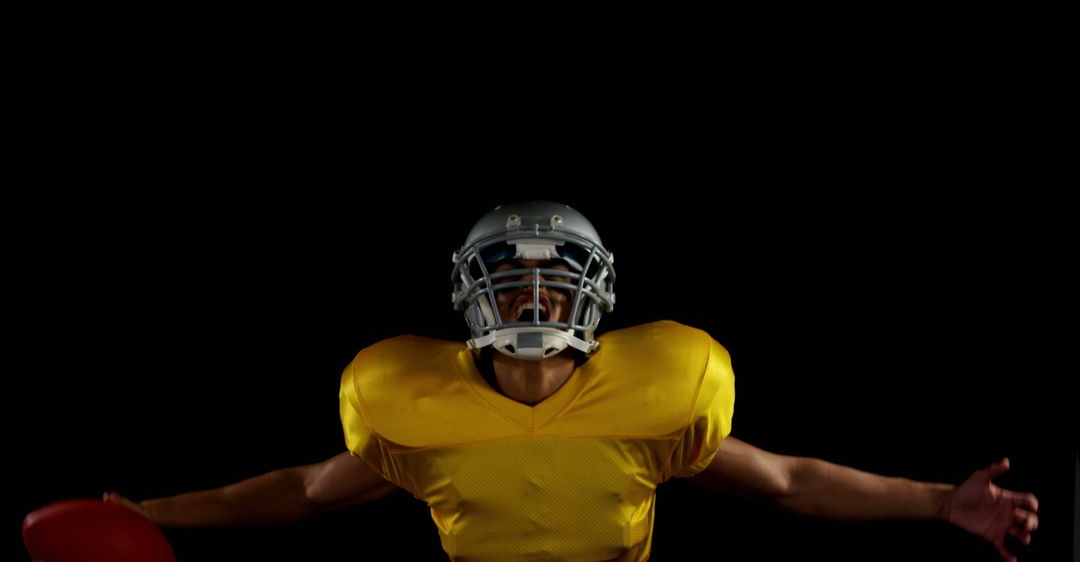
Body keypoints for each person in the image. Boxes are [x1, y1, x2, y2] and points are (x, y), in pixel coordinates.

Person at [106, 201, 1039, 561]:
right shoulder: (411, 405)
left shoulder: (659, 392)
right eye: (513, 275)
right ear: (471, 294)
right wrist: (157, 514)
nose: (537, 294)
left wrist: (933, 503)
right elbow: (304, 493)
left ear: (595, 292)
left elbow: (790, 483)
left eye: (556, 277)